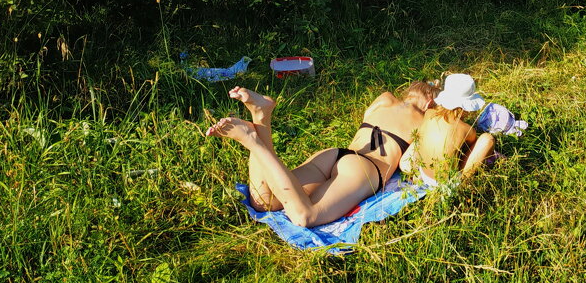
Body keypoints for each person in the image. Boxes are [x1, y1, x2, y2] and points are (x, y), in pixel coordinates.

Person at [207, 81, 438, 228]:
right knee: (305, 216)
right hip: (366, 167)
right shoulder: (426, 120)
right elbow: (410, 163)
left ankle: (261, 117)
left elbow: (369, 115)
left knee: (263, 201)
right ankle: (253, 142)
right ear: (430, 102)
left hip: (335, 154)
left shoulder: (385, 99)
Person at [399, 73, 496, 187]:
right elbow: (468, 150)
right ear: (467, 107)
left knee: (423, 134)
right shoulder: (467, 129)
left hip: (423, 173)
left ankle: (413, 171)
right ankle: (462, 182)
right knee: (488, 139)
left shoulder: (429, 113)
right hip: (446, 183)